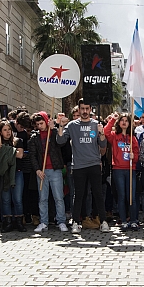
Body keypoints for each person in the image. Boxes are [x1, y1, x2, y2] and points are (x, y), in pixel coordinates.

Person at [56, 98, 110, 233]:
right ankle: (75, 222)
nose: (85, 111)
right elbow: (60, 140)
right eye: (82, 109)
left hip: (94, 165)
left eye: (87, 109)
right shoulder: (72, 125)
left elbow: (103, 146)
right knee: (79, 195)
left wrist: (102, 133)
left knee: (98, 194)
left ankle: (103, 221)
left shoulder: (96, 124)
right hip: (78, 166)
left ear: (90, 109)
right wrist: (61, 126)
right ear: (78, 110)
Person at [29, 112, 68, 232]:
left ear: (46, 121)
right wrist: (37, 170)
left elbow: (61, 142)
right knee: (43, 198)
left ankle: (61, 221)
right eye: (38, 124)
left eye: (41, 123)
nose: (40, 126)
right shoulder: (34, 137)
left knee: (58, 197)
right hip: (42, 171)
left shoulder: (54, 132)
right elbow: (32, 155)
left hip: (55, 169)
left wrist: (55, 129)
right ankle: (43, 222)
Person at [104, 112, 140, 231]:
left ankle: (134, 220)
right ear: (119, 123)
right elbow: (106, 132)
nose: (124, 122)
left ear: (129, 123)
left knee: (132, 196)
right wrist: (112, 120)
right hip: (118, 169)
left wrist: (133, 156)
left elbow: (137, 153)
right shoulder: (114, 136)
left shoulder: (132, 137)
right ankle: (123, 220)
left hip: (130, 169)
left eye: (126, 120)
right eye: (122, 120)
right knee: (122, 196)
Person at [0, 120, 26, 232]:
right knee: (5, 199)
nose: (8, 132)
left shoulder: (18, 141)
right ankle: (7, 222)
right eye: (5, 130)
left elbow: (20, 155)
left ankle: (19, 222)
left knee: (17, 198)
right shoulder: (0, 143)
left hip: (16, 172)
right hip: (4, 174)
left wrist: (6, 151)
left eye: (9, 130)